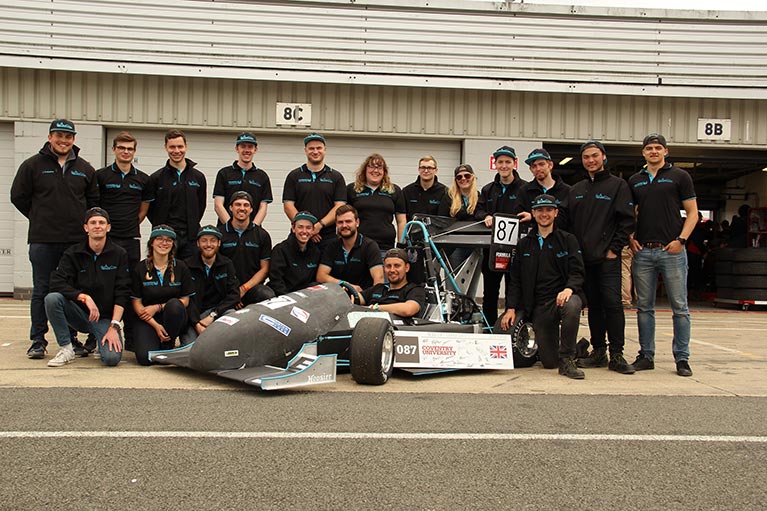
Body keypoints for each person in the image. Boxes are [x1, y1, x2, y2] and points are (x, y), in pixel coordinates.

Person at [10, 119, 98, 359]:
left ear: (74, 139)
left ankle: (71, 339)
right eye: (59, 135)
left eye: (68, 136)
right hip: (43, 240)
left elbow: (93, 203)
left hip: (75, 242)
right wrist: (39, 217)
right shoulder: (33, 166)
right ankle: (38, 340)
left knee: (71, 291)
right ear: (50, 137)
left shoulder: (85, 169)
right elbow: (18, 196)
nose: (64, 140)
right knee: (41, 290)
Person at [628, 133, 698, 377]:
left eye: (658, 148)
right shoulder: (635, 180)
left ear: (666, 151)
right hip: (644, 253)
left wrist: (681, 240)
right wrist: (630, 238)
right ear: (643, 152)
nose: (654, 151)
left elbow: (693, 213)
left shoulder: (680, 176)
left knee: (680, 307)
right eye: (649, 148)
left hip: (672, 251)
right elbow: (631, 214)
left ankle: (682, 358)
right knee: (644, 308)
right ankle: (646, 355)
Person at [499, 194, 586, 379]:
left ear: (555, 213)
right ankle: (578, 348)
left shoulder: (568, 239)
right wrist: (511, 308)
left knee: (572, 305)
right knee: (549, 362)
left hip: (562, 298)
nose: (544, 214)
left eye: (548, 210)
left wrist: (569, 289)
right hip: (539, 306)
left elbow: (577, 272)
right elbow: (515, 280)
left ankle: (568, 360)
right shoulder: (523, 244)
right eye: (540, 210)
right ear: (533, 213)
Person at [569, 140, 636, 374]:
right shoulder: (576, 190)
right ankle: (599, 351)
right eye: (586, 157)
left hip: (608, 259)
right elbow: (567, 224)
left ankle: (617, 354)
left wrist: (613, 250)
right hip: (585, 261)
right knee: (594, 307)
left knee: (613, 305)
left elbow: (627, 220)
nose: (591, 160)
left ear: (603, 157)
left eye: (595, 156)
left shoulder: (618, 186)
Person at [43, 208, 130, 367]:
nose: (98, 226)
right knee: (52, 299)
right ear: (86, 228)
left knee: (111, 359)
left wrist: (114, 326)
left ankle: (101, 339)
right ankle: (67, 349)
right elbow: (56, 282)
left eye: (102, 222)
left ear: (108, 227)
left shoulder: (119, 254)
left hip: (105, 318)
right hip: (80, 314)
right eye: (93, 223)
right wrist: (83, 297)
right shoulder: (73, 253)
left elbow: (122, 292)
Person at [475, 146, 527, 325]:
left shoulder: (526, 188)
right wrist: (486, 216)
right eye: (500, 162)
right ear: (495, 164)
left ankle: (512, 329)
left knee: (515, 291)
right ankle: (490, 327)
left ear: (514, 163)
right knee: (490, 293)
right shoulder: (488, 189)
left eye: (507, 162)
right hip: (492, 251)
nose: (504, 165)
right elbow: (478, 209)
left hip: (518, 250)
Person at [129, 225, 195, 366]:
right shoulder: (140, 268)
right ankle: (157, 339)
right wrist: (156, 325)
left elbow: (185, 300)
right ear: (151, 242)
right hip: (147, 319)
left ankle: (168, 342)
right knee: (145, 358)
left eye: (168, 240)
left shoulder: (181, 267)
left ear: (173, 245)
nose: (164, 243)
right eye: (159, 239)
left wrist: (158, 307)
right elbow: (136, 303)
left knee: (174, 305)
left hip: (173, 316)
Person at [146, 129, 207, 260]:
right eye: (172, 147)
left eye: (180, 146)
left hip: (191, 239)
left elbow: (201, 206)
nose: (176, 151)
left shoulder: (198, 177)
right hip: (165, 239)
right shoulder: (156, 178)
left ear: (186, 146)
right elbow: (150, 210)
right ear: (165, 148)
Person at [282, 133, 346, 251]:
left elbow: (340, 206)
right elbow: (288, 206)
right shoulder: (294, 176)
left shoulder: (336, 177)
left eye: (319, 148)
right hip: (300, 238)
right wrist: (307, 229)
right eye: (311, 148)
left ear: (325, 150)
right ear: (305, 150)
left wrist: (319, 226)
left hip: (328, 239)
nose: (315, 151)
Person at [96, 131, 151, 266]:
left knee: (130, 277)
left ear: (134, 151)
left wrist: (130, 223)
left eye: (129, 148)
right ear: (113, 149)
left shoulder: (144, 179)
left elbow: (144, 209)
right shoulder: (100, 175)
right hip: (107, 237)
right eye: (121, 148)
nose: (125, 151)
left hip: (131, 238)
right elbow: (95, 205)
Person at [182, 225, 240, 344]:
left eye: (213, 240)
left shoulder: (227, 264)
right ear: (198, 243)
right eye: (204, 240)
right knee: (190, 348)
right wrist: (196, 323)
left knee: (232, 316)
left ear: (219, 243)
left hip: (218, 313)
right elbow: (186, 299)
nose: (208, 244)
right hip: (194, 316)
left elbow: (234, 295)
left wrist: (213, 315)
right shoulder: (187, 266)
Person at [220, 191, 275, 305]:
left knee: (267, 295)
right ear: (230, 208)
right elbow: (216, 267)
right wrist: (233, 294)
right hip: (225, 289)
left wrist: (244, 289)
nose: (242, 208)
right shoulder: (220, 234)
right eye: (238, 204)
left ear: (251, 209)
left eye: (246, 205)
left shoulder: (262, 235)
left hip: (251, 288)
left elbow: (264, 269)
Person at [346, 153, 407, 255]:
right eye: (371, 166)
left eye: (379, 167)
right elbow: (343, 219)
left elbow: (401, 221)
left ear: (384, 172)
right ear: (365, 169)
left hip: (385, 248)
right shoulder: (352, 189)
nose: (375, 170)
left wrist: (401, 247)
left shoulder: (394, 190)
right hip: (357, 247)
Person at [317, 204, 384, 293]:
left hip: (362, 298)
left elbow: (379, 279)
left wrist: (369, 300)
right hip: (337, 297)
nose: (344, 225)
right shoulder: (332, 246)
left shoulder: (369, 246)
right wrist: (345, 284)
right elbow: (321, 276)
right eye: (340, 222)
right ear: (336, 224)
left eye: (348, 221)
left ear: (357, 222)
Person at [212, 132, 272, 226]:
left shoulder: (262, 176)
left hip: (252, 235)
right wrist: (231, 227)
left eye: (250, 146)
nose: (247, 150)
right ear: (237, 149)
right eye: (243, 146)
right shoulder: (224, 174)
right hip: (226, 232)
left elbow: (263, 208)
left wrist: (253, 229)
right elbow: (218, 205)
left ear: (255, 149)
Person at [357, 248, 426, 318]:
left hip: (395, 327)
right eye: (388, 266)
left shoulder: (415, 290)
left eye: (397, 266)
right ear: (384, 269)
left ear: (406, 267)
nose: (392, 270)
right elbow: (354, 298)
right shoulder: (378, 288)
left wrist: (374, 308)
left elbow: (408, 310)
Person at [515, 149, 570, 232]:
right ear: (530, 169)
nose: (538, 169)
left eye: (541, 164)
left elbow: (567, 220)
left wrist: (532, 217)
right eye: (534, 166)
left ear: (550, 165)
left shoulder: (567, 191)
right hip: (533, 242)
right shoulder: (524, 191)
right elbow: (520, 218)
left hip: (560, 241)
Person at [267, 211, 322, 296]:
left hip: (304, 297)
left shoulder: (316, 252)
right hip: (282, 296)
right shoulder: (280, 250)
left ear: (313, 230)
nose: (304, 231)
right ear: (293, 228)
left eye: (308, 228)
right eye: (300, 227)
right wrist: (289, 298)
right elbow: (276, 280)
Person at [438, 164, 480, 269]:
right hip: (454, 248)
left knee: (471, 284)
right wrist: (444, 254)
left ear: (473, 177)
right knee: (453, 283)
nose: (463, 179)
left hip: (476, 246)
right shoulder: (448, 198)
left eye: (467, 176)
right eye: (459, 177)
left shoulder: (480, 196)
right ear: (456, 180)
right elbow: (441, 223)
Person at [402, 155, 447, 220]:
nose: (426, 171)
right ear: (419, 169)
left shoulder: (444, 192)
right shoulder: (407, 192)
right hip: (412, 229)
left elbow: (444, 220)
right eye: (423, 167)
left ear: (436, 170)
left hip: (435, 230)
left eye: (429, 168)